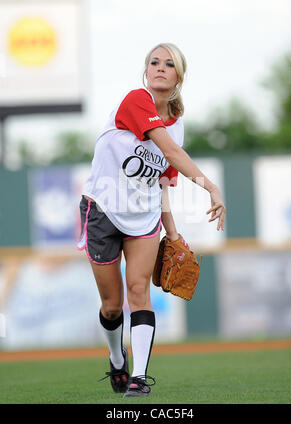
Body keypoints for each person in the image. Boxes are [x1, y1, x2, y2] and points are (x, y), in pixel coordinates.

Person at [77, 42, 226, 398]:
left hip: (143, 217)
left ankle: (139, 378)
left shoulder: (178, 126)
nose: (160, 67)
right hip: (102, 210)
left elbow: (162, 183)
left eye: (169, 63)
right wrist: (211, 187)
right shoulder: (135, 100)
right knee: (112, 306)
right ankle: (117, 359)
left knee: (139, 292)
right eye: (154, 62)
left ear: (179, 76)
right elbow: (171, 152)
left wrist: (172, 233)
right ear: (146, 71)